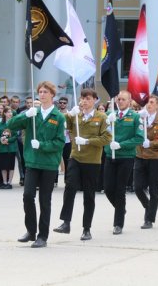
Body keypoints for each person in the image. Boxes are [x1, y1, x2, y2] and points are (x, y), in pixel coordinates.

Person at [9, 81, 65, 248]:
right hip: (33, 161)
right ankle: (31, 231)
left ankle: (43, 236)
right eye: (40, 92)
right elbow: (10, 125)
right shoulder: (32, 114)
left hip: (48, 163)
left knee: (44, 200)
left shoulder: (58, 117)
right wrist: (24, 115)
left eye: (45, 92)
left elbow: (60, 142)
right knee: (27, 196)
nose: (41, 94)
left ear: (52, 95)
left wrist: (42, 145)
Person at [53, 88, 112, 241]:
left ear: (95, 100)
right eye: (82, 98)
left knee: (89, 194)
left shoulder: (102, 117)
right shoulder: (76, 115)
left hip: (92, 161)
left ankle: (87, 228)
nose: (84, 101)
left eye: (88, 98)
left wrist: (87, 141)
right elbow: (60, 124)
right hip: (76, 157)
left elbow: (107, 138)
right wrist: (68, 115)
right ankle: (66, 222)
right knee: (70, 187)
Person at [103, 90, 144, 234]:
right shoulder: (110, 115)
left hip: (125, 157)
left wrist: (121, 144)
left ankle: (118, 223)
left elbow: (139, 138)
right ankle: (121, 209)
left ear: (129, 101)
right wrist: (107, 123)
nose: (120, 101)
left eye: (123, 99)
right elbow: (102, 133)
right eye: (118, 99)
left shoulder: (135, 117)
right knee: (108, 188)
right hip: (110, 155)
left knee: (120, 190)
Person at [134, 95, 158, 229]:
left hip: (154, 157)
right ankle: (148, 206)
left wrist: (151, 143)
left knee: (153, 188)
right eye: (147, 103)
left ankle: (149, 219)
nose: (148, 105)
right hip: (140, 156)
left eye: (151, 103)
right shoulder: (139, 117)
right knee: (137, 187)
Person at [0, 106, 17, 189]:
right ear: (4, 113)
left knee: (11, 166)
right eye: (8, 112)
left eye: (11, 112)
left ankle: (9, 182)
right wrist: (0, 139)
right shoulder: (0, 124)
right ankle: (4, 181)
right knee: (3, 166)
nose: (10, 114)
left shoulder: (14, 123)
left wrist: (8, 140)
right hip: (2, 148)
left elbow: (16, 136)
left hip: (11, 148)